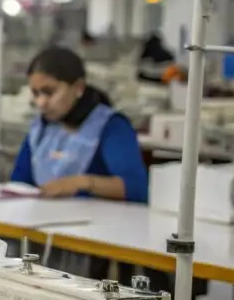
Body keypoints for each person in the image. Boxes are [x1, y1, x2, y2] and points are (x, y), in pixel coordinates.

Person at [11, 46, 147, 203]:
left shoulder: (110, 127)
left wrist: (82, 183)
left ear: (78, 88)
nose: (41, 103)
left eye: (49, 92)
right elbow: (19, 183)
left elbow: (138, 188)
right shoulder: (41, 130)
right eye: (36, 94)